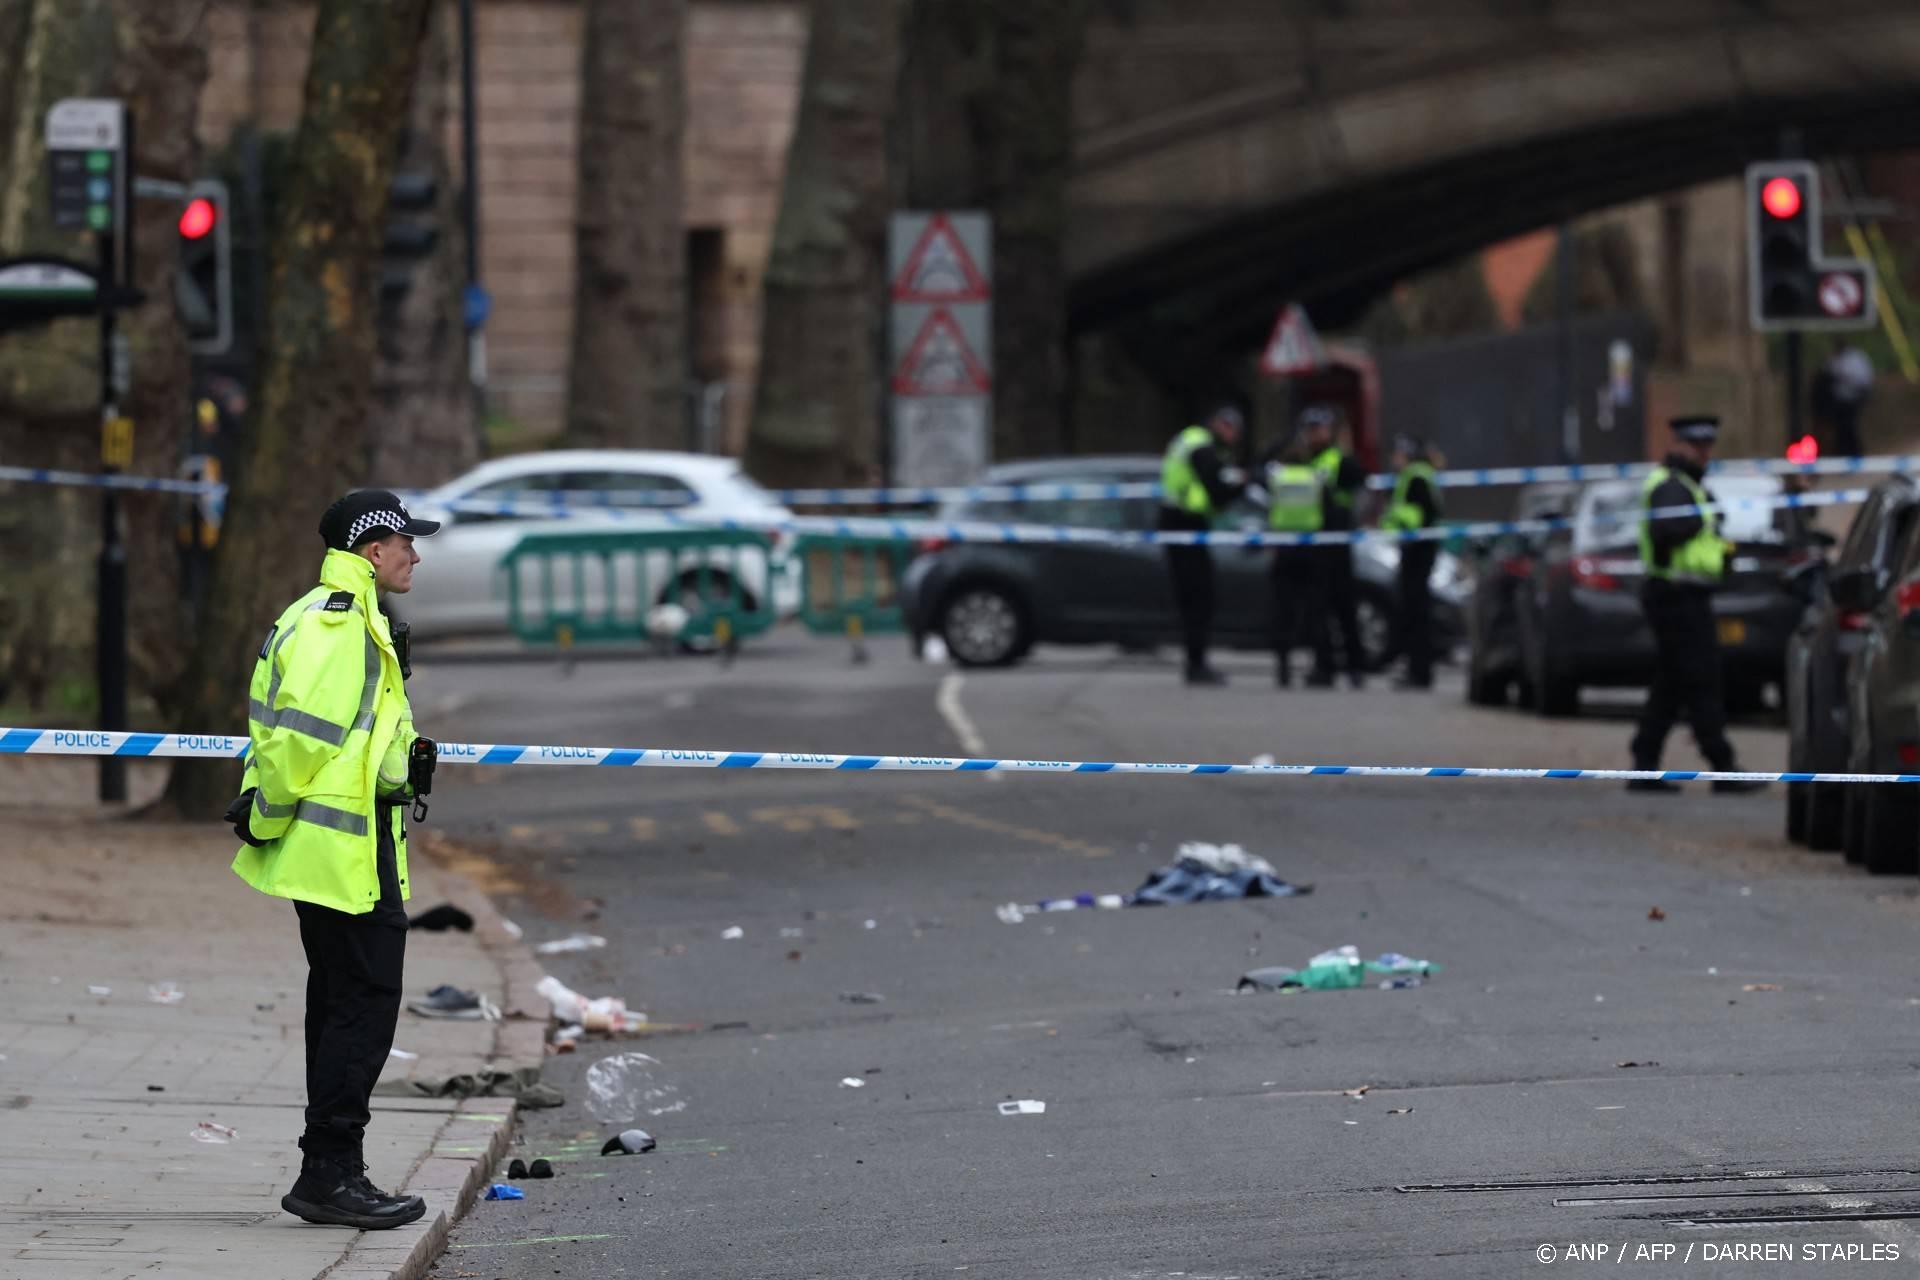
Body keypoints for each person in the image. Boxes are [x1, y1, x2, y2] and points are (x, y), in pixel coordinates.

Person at [226, 490, 444, 1227]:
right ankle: (330, 1173)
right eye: (406, 544)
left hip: (348, 846)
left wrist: (402, 770)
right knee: (360, 1006)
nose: (415, 557)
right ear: (373, 550)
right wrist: (263, 816)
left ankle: (329, 1168)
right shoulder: (338, 624)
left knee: (343, 1002)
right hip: (340, 853)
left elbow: (353, 740)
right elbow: (299, 740)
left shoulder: (350, 617)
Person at [1626, 417, 1765, 794]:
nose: (1703, 454)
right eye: (1695, 446)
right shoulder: (1672, 486)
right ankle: (1722, 765)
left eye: (1707, 447)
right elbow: (1667, 533)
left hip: (1685, 595)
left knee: (1671, 684)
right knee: (1701, 681)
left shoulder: (1687, 485)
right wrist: (1699, 523)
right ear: (1677, 445)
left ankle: (1644, 762)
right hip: (1676, 596)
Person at [1158, 405, 1247, 685]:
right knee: (1199, 598)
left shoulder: (1193, 440)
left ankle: (1196, 662)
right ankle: (1196, 665)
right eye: (1231, 429)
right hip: (1184, 525)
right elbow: (1217, 492)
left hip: (1181, 523)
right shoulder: (1202, 447)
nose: (1233, 436)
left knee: (1195, 599)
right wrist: (1243, 485)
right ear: (1219, 425)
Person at [1299, 405, 1367, 687]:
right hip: (1316, 544)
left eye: (1319, 429)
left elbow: (1361, 486)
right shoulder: (1306, 461)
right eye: (1310, 430)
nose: (1314, 435)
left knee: (1344, 608)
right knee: (1319, 610)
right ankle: (1324, 667)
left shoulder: (1339, 460)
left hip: (1337, 543)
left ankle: (1355, 668)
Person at [1382, 435, 1442, 690]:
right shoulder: (1416, 475)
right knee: (1415, 611)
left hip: (1418, 550)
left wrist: (1394, 521)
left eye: (1397, 454)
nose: (1393, 459)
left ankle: (1419, 671)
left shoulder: (1416, 476)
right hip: (1418, 550)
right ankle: (1417, 669)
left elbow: (1416, 516)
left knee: (1417, 613)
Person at [1264, 438, 1325, 688]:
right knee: (1314, 609)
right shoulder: (1315, 477)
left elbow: (1259, 470)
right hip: (1310, 548)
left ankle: (1283, 668)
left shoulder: (1277, 477)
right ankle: (1319, 665)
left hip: (1284, 547)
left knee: (1283, 610)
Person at [1826, 338, 1874, 458]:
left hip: (1854, 398)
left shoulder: (1855, 358)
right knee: (1840, 429)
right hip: (1839, 401)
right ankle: (1842, 453)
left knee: (1849, 427)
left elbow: (1863, 380)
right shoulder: (1834, 358)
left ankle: (1855, 452)